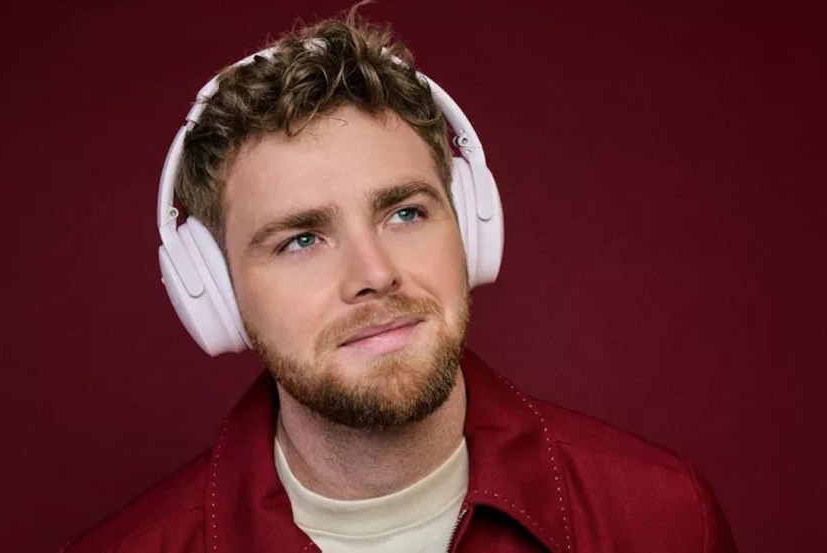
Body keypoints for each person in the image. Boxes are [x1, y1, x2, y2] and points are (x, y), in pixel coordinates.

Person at [63, 7, 736, 553]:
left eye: (405, 212)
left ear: (471, 230)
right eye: (302, 238)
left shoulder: (665, 519)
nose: (375, 274)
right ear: (213, 293)